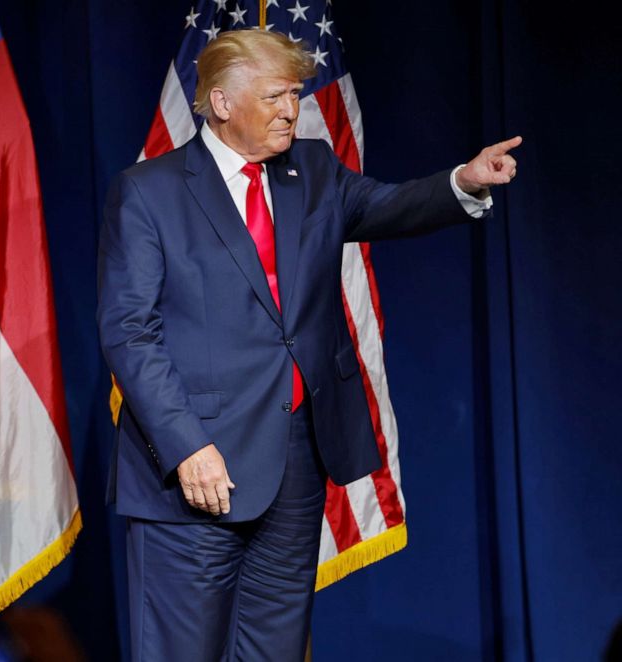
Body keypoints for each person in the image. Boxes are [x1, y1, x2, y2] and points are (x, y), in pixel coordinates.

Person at [96, 29, 519, 662]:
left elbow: (391, 206)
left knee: (274, 652)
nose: (291, 109)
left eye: (294, 93)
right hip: (193, 476)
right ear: (220, 102)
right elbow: (129, 332)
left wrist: (464, 180)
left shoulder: (312, 169)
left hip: (294, 465)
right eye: (274, 96)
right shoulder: (149, 191)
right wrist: (187, 448)